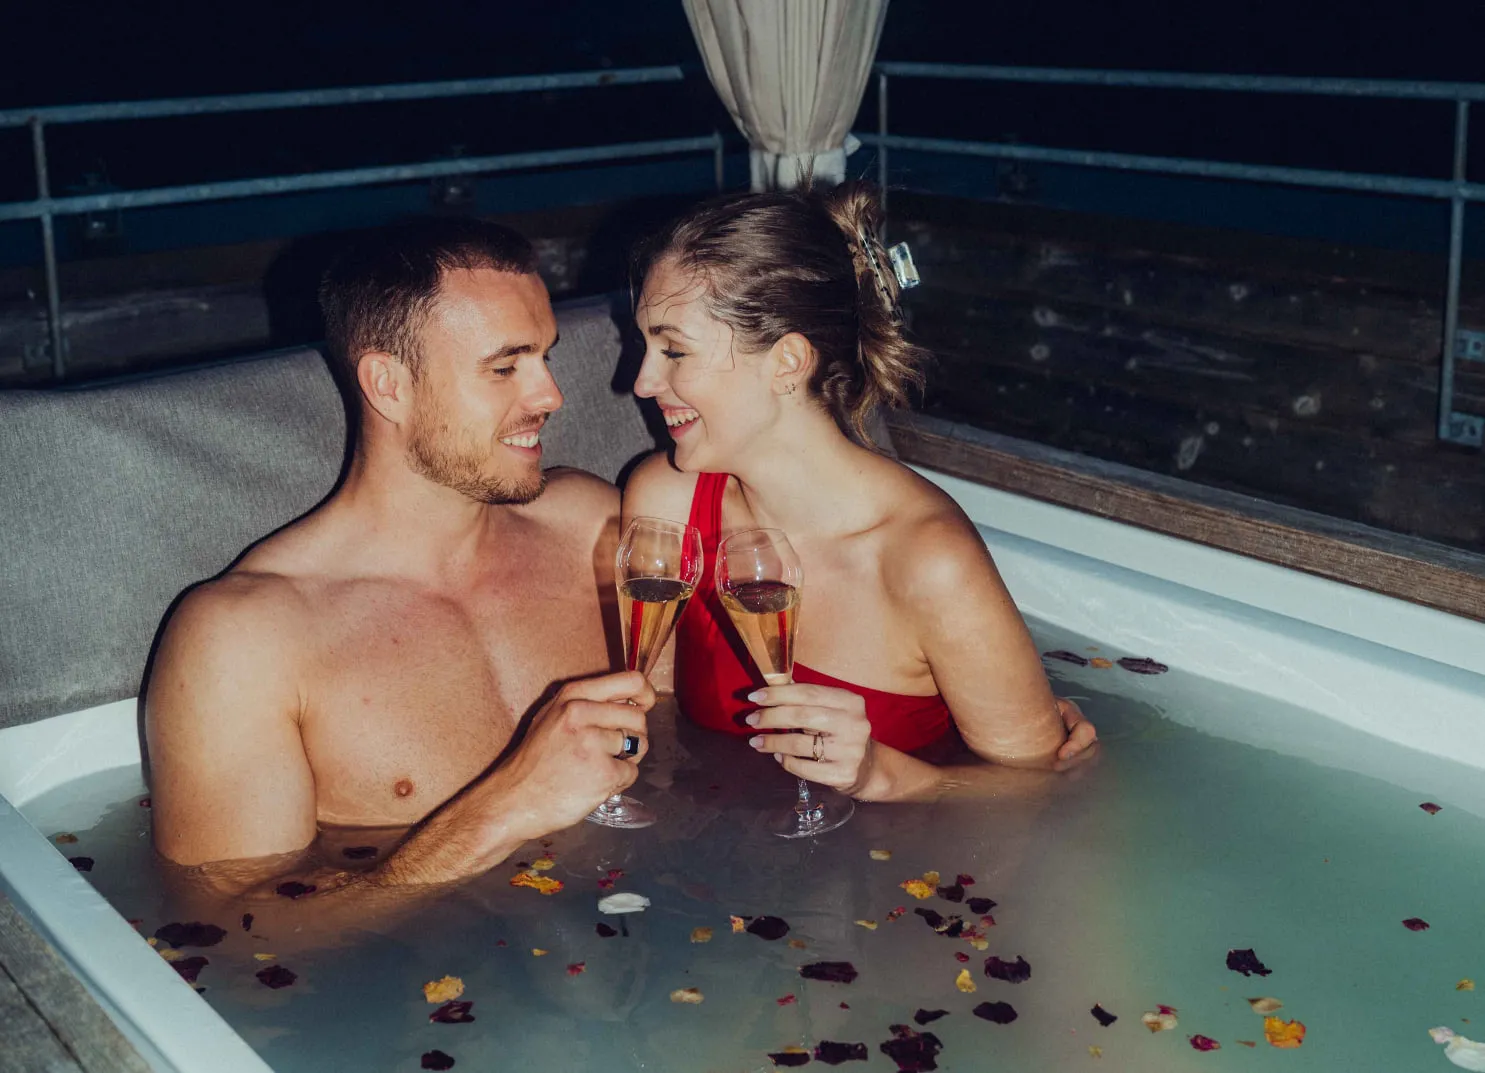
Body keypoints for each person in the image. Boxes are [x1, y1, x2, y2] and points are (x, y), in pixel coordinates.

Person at [144, 218, 655, 895]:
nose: (549, 396)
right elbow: (237, 936)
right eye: (504, 367)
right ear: (387, 385)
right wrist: (500, 812)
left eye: (545, 357)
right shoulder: (243, 639)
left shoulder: (585, 526)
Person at [623, 182, 1098, 802]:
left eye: (673, 350)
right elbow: (654, 718)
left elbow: (1047, 792)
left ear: (788, 362)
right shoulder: (667, 503)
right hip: (716, 853)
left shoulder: (928, 562)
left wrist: (886, 775)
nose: (641, 381)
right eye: (646, 347)